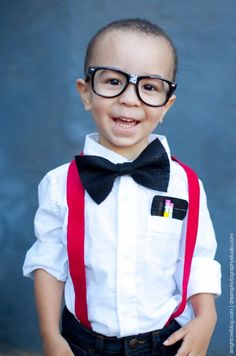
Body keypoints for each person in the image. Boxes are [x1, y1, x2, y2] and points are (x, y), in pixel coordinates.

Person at [23, 18, 221, 356]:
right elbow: (49, 263)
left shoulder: (186, 184)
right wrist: (50, 337)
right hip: (84, 343)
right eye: (113, 81)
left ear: (167, 105)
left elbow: (199, 258)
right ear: (86, 93)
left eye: (149, 86)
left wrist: (207, 317)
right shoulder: (59, 184)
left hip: (166, 341)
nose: (129, 99)